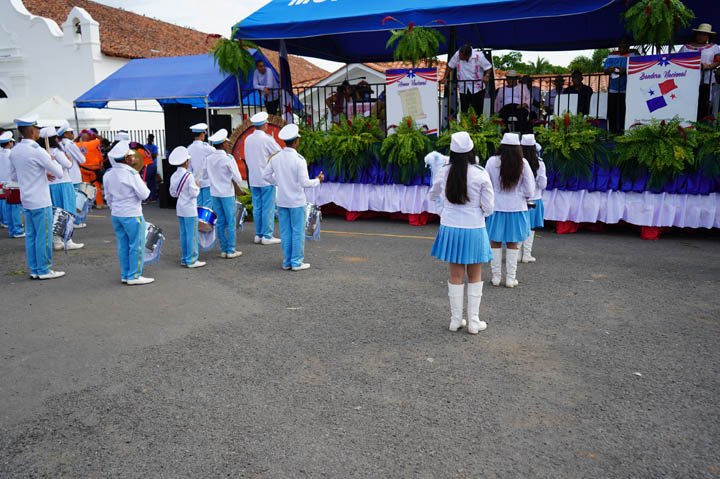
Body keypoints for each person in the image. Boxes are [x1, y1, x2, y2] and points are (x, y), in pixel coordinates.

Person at [428, 132, 494, 334]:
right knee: (475, 274)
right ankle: (473, 321)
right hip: (474, 227)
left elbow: (432, 195)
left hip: (451, 227)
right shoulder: (480, 173)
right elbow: (489, 206)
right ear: (471, 151)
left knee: (455, 274)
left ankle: (455, 320)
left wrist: (444, 211)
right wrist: (478, 213)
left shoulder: (444, 171)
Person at [9, 116, 66, 280]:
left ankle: (34, 269)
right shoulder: (37, 150)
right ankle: (44, 270)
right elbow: (59, 173)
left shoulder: (15, 150)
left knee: (31, 236)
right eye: (37, 129)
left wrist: (39, 172)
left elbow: (14, 176)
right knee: (44, 236)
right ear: (32, 131)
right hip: (41, 199)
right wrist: (52, 160)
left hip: (26, 199)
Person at [262, 124, 324, 271]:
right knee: (297, 231)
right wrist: (318, 180)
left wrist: (279, 182)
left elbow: (265, 176)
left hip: (282, 200)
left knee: (285, 232)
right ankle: (296, 262)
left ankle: (287, 261)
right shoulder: (299, 159)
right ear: (296, 141)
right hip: (296, 201)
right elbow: (304, 183)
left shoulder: (276, 158)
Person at [484, 133, 535, 288]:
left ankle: (496, 277)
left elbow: (486, 185)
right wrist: (520, 195)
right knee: (514, 242)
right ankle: (511, 279)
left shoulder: (491, 162)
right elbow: (530, 189)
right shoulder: (523, 163)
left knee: (495, 241)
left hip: (496, 207)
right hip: (517, 208)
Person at [103, 141, 153, 285]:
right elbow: (145, 195)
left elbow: (108, 197)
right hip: (132, 213)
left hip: (116, 214)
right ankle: (134, 275)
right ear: (126, 158)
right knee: (137, 245)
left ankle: (125, 274)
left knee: (123, 244)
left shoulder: (108, 174)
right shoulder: (131, 173)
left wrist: (115, 208)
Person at [42, 127, 84, 251]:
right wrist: (69, 160)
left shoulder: (41, 152)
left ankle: (56, 241)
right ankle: (68, 240)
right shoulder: (56, 151)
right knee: (68, 212)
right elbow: (68, 165)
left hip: (49, 185)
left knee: (54, 213)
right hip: (63, 184)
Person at [244, 111, 282, 245]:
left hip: (253, 179)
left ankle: (258, 234)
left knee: (257, 208)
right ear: (265, 124)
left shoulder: (248, 139)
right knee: (268, 208)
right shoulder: (267, 139)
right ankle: (267, 235)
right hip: (266, 179)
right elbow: (279, 153)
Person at [206, 129, 244, 259]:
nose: (228, 145)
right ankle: (231, 250)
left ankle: (223, 249)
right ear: (223, 144)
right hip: (227, 193)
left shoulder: (209, 158)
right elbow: (238, 178)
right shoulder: (228, 158)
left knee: (220, 221)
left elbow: (205, 175)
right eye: (227, 143)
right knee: (231, 221)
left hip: (214, 193)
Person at [168, 146, 205, 269]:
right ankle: (192, 259)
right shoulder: (189, 175)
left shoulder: (174, 175)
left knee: (184, 234)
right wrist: (198, 187)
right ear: (186, 162)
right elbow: (194, 193)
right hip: (190, 209)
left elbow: (173, 194)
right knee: (192, 235)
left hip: (180, 208)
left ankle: (185, 258)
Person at [680, 23, 720, 121]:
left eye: (704, 34)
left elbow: (718, 61)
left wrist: (709, 66)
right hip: (688, 80)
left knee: (703, 103)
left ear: (708, 36)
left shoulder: (714, 47)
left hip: (706, 80)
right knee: (688, 102)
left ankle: (701, 123)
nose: (701, 36)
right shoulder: (685, 47)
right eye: (699, 33)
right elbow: (678, 60)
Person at [442, 44, 493, 115]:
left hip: (477, 88)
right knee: (464, 110)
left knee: (477, 111)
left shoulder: (479, 56)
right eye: (459, 55)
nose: (459, 57)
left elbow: (489, 67)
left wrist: (486, 76)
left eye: (461, 56)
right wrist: (444, 78)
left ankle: (477, 122)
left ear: (468, 55)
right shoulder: (457, 54)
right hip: (463, 87)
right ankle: (464, 122)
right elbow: (450, 66)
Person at [519, 134, 546, 263]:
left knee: (519, 225)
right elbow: (542, 183)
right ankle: (527, 254)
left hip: (519, 199)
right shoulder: (539, 163)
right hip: (535, 198)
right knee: (531, 227)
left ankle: (516, 254)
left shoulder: (517, 161)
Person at [604, 37, 638, 133]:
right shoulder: (611, 56)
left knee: (624, 111)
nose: (622, 46)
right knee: (612, 111)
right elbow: (605, 71)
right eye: (621, 44)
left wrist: (625, 71)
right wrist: (610, 69)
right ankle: (612, 131)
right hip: (613, 88)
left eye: (625, 44)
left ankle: (623, 131)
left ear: (628, 46)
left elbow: (636, 69)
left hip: (627, 89)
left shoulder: (633, 55)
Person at [57, 121, 87, 228]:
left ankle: (68, 221)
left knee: (67, 201)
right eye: (71, 132)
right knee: (77, 200)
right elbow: (82, 160)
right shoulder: (70, 144)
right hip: (74, 175)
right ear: (65, 134)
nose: (73, 134)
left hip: (64, 177)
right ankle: (76, 221)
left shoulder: (58, 144)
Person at [0, 132, 24, 237]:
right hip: (13, 183)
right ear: (9, 142)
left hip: (3, 183)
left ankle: (11, 229)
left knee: (8, 207)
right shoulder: (12, 154)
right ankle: (17, 230)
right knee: (16, 208)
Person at [76, 129, 106, 208]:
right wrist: (93, 133)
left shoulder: (77, 144)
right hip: (94, 170)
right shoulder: (93, 143)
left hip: (83, 169)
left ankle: (88, 205)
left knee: (86, 187)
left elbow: (72, 142)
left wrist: (79, 136)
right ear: (90, 137)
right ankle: (99, 203)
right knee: (96, 186)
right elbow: (101, 139)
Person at [187, 123, 214, 209]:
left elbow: (188, 168)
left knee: (197, 206)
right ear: (202, 134)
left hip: (195, 182)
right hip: (207, 182)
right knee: (207, 207)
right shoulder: (207, 148)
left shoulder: (189, 148)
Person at [144, 134, 159, 201]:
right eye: (150, 138)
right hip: (147, 166)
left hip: (153, 166)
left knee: (152, 182)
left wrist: (147, 154)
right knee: (148, 182)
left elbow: (155, 155)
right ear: (148, 139)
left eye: (151, 139)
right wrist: (150, 154)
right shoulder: (145, 146)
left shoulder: (154, 147)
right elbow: (143, 155)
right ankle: (150, 196)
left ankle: (152, 197)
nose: (150, 140)